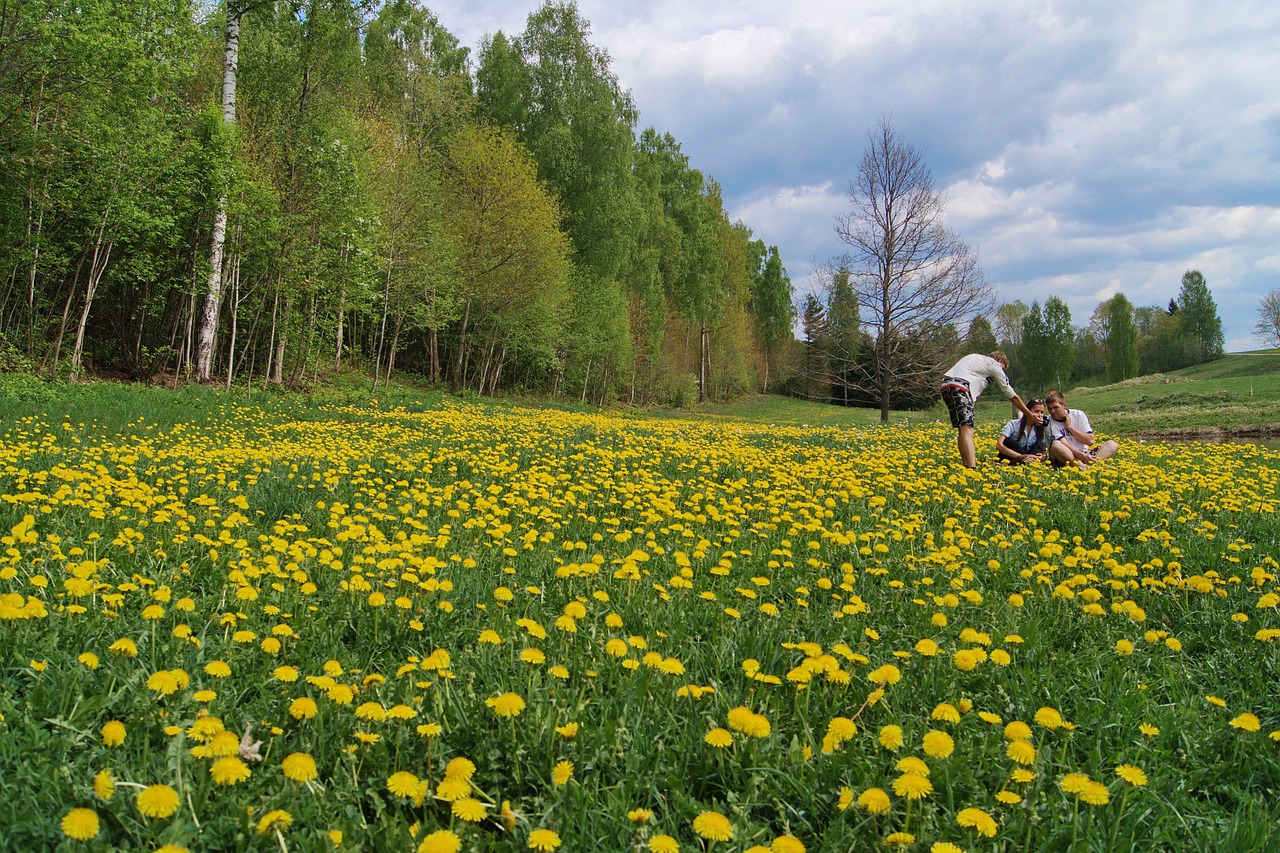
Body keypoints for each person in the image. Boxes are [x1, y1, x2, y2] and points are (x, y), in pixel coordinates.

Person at [940, 350, 1043, 468]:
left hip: (946, 387)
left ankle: (966, 465)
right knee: (967, 430)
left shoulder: (974, 357)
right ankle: (971, 468)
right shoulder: (994, 365)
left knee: (963, 429)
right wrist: (1029, 414)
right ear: (1001, 361)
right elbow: (1012, 395)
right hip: (961, 388)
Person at [1043, 390, 1118, 467]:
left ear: (1064, 406)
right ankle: (1084, 469)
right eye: (1050, 408)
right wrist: (1082, 456)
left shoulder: (1078, 415)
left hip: (1085, 454)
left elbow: (1090, 441)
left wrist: (1070, 427)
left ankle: (1091, 467)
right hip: (1067, 456)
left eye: (1056, 407)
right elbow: (1063, 443)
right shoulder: (1048, 422)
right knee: (1056, 445)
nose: (1052, 411)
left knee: (1112, 444)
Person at [996, 397, 1048, 464]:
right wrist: (1022, 456)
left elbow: (1044, 453)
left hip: (1029, 458)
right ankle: (1025, 461)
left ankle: (1029, 462)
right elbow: (999, 445)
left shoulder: (1040, 429)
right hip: (1011, 458)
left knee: (1039, 444)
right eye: (1036, 411)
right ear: (1027, 411)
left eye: (1042, 412)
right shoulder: (1013, 424)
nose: (1040, 415)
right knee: (1008, 441)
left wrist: (1042, 457)